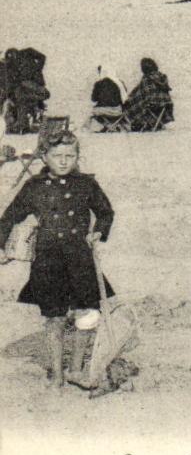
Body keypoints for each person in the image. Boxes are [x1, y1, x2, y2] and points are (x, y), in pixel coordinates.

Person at [0, 131, 115, 387]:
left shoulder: (86, 184)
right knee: (55, 317)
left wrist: (99, 231)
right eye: (57, 156)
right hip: (47, 261)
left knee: (87, 314)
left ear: (77, 156)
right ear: (44, 156)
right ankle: (57, 374)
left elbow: (106, 212)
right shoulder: (34, 187)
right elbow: (9, 217)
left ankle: (75, 368)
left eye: (70, 156)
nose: (64, 161)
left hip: (80, 259)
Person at [124, 57, 173, 132]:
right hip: (165, 105)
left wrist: (130, 98)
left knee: (133, 104)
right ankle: (155, 123)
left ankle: (139, 123)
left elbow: (141, 92)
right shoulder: (162, 77)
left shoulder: (146, 79)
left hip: (152, 105)